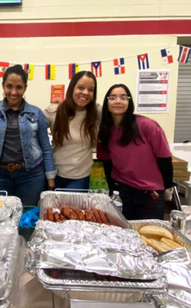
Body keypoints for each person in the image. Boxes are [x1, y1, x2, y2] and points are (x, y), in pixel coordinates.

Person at [0, 64, 55, 207]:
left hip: (31, 176)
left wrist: (50, 184)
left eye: (19, 87)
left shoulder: (36, 113)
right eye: (9, 86)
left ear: (25, 88)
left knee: (26, 218)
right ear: (3, 86)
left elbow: (46, 148)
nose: (13, 92)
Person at [97, 82, 173, 220]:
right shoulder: (104, 131)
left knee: (148, 232)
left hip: (150, 191)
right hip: (122, 190)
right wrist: (112, 189)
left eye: (123, 97)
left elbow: (165, 158)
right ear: (106, 102)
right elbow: (107, 163)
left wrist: (168, 187)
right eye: (113, 97)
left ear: (129, 101)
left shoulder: (147, 126)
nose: (118, 101)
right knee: (122, 230)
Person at [45, 70, 100, 191]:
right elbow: (32, 129)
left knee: (73, 210)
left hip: (80, 177)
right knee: (52, 210)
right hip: (54, 175)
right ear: (71, 89)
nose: (85, 92)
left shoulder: (97, 112)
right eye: (80, 87)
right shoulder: (54, 111)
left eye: (90, 89)